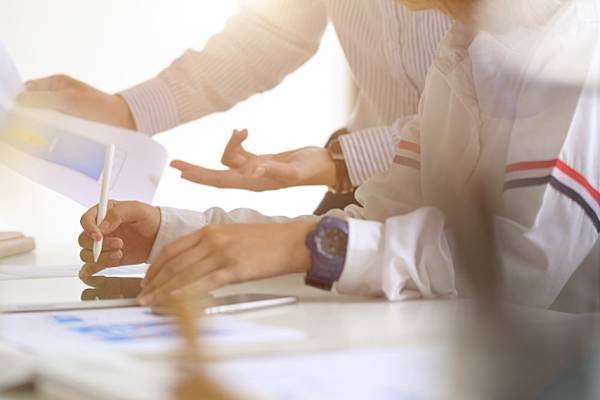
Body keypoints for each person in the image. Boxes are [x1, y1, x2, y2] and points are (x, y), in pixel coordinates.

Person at [78, 0, 599, 313]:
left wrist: (310, 242)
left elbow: (522, 269)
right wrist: (177, 234)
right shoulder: (461, 54)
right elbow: (377, 225)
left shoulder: (576, 50)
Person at [17, 0, 452, 214]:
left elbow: (491, 112)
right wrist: (128, 110)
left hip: (487, 192)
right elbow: (273, 33)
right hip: (365, 184)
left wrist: (339, 162)